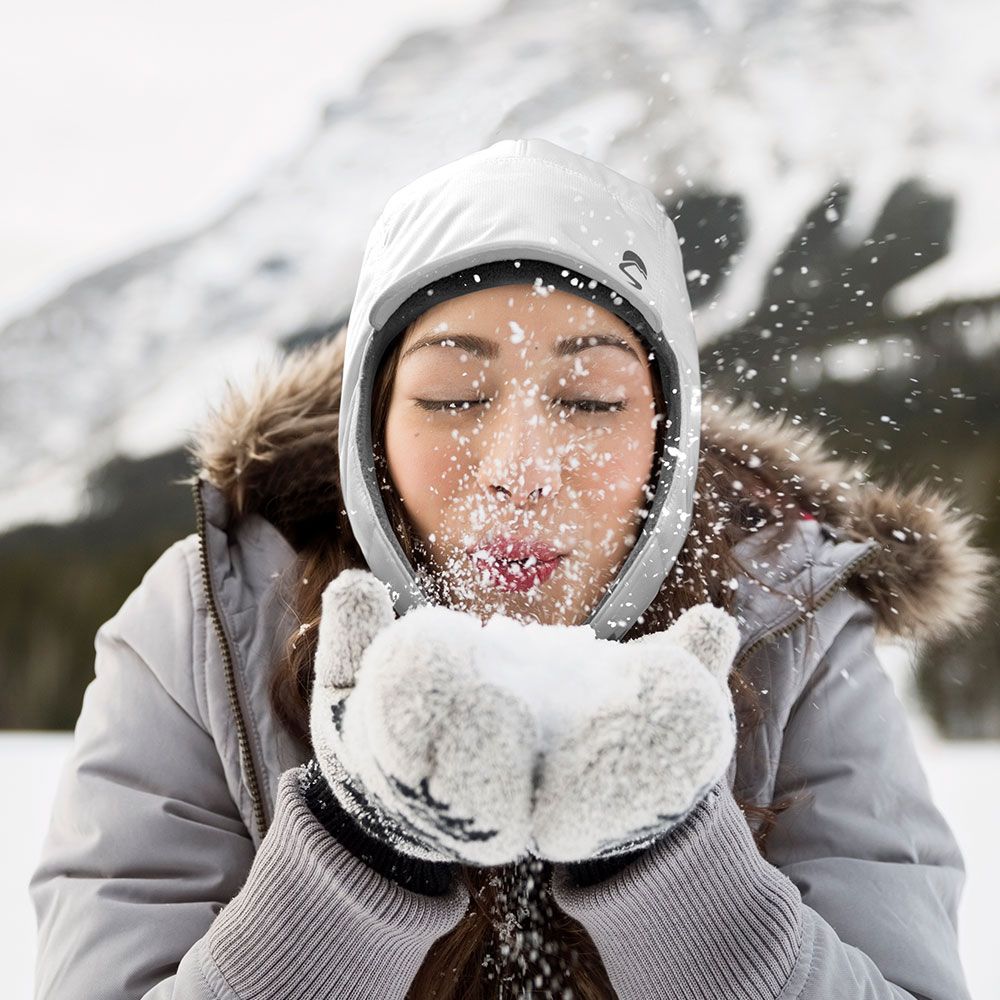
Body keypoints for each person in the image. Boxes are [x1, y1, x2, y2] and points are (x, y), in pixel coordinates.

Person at [30, 138, 990, 1000]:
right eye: (452, 395)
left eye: (587, 399)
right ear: (371, 430)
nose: (522, 472)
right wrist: (362, 858)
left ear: (668, 436)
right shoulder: (210, 619)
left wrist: (675, 873)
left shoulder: (792, 620)